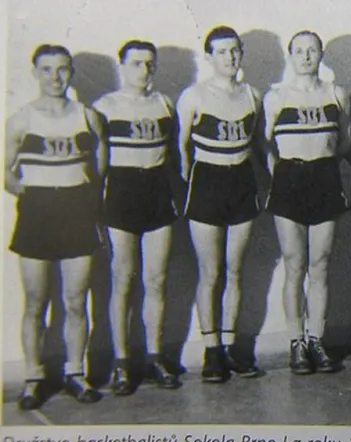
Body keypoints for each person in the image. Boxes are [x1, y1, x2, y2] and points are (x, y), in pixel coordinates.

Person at [6, 44, 107, 408]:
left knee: (76, 300)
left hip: (77, 211)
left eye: (62, 69)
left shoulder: (87, 116)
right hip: (37, 214)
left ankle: (75, 374)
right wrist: (33, 195)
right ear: (35, 73)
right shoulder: (21, 119)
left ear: (72, 73)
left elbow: (99, 166)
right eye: (47, 69)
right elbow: (6, 173)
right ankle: (33, 379)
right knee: (36, 301)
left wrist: (80, 197)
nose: (55, 77)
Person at [176, 26, 265, 383]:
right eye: (222, 51)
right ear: (209, 57)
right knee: (210, 272)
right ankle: (211, 350)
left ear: (241, 53)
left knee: (235, 269)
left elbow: (259, 145)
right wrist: (191, 186)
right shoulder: (194, 96)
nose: (230, 57)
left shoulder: (252, 95)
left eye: (234, 50)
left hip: (241, 182)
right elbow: (181, 148)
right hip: (207, 183)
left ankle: (231, 346)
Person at [93, 40, 183, 395]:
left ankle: (154, 356)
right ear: (122, 66)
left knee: (156, 280)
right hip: (121, 194)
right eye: (136, 63)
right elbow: (97, 164)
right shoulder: (105, 107)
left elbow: (174, 155)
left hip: (156, 194)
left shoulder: (164, 104)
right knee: (123, 280)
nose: (144, 71)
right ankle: (121, 361)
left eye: (149, 64)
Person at [264, 30, 351, 374]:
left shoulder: (336, 93)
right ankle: (296, 342)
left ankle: (317, 340)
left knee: (320, 263)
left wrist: (321, 162)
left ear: (321, 54)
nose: (305, 56)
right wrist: (283, 174)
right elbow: (265, 144)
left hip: (325, 179)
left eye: (311, 50)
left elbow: (344, 142)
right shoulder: (277, 97)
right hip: (289, 180)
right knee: (294, 263)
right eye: (299, 51)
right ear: (290, 56)